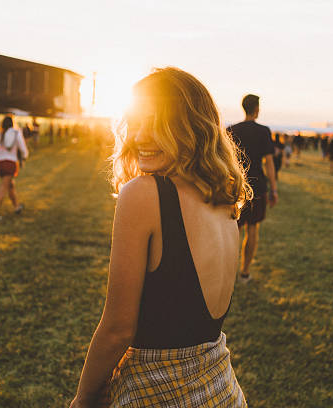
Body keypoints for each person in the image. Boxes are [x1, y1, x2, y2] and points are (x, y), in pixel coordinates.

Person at [70, 68, 249, 408]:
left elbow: (118, 328)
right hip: (221, 390)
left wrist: (84, 398)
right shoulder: (224, 200)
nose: (140, 136)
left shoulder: (144, 195)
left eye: (156, 124)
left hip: (160, 393)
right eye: (135, 123)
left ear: (189, 127)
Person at [227, 94, 278, 283]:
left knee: (234, 230)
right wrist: (274, 189)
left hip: (236, 187)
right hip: (257, 187)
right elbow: (270, 164)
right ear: (257, 109)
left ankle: (229, 272)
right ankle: (245, 272)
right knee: (253, 228)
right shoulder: (264, 131)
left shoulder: (231, 130)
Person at [0, 114, 28, 221]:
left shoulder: (0, 133)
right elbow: (23, 148)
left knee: (10, 185)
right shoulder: (16, 133)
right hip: (10, 163)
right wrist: (24, 157)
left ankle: (17, 206)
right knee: (4, 187)